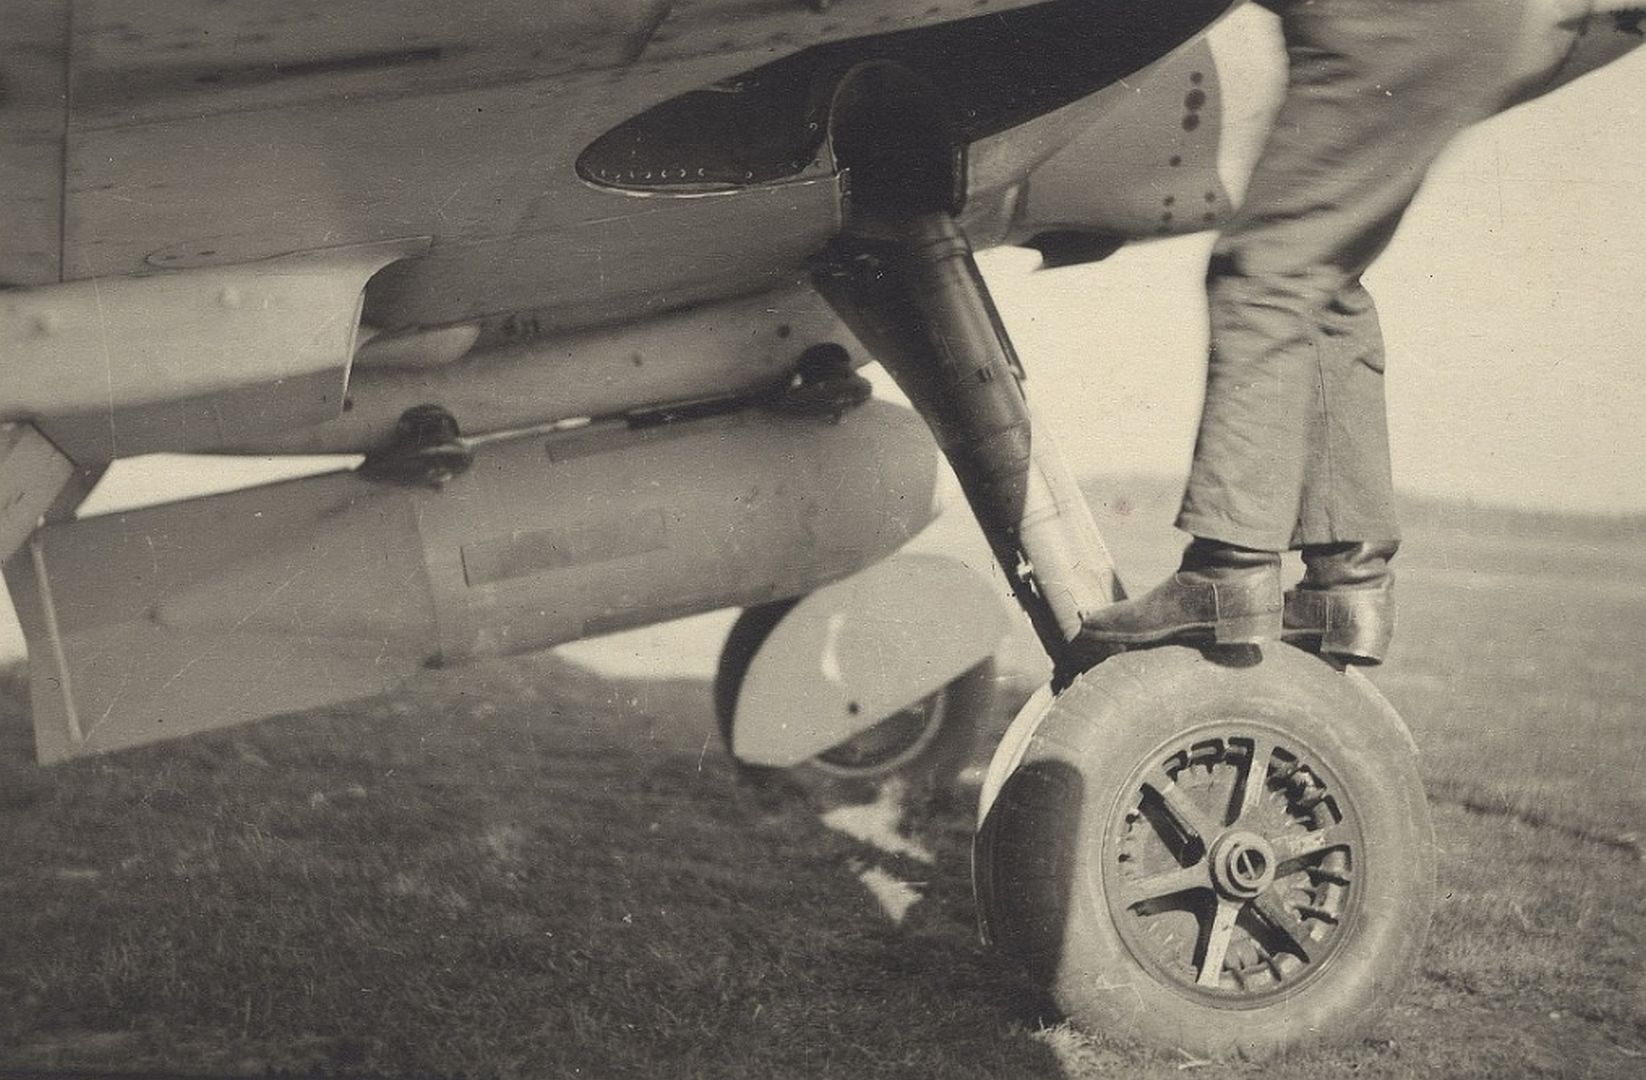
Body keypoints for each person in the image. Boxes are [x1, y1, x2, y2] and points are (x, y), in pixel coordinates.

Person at [1075, 0, 1641, 665]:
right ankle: (1347, 585)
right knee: (1321, 280)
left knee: (1265, 273)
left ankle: (1228, 572)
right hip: (1470, 23)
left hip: (1389, 19)